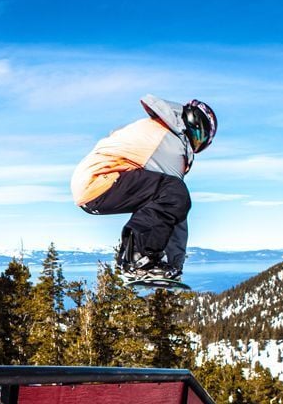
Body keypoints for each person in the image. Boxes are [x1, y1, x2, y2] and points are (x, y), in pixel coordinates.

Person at [70, 95, 217, 283]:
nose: (197, 143)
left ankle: (135, 258)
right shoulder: (169, 143)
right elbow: (177, 208)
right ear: (192, 123)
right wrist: (175, 265)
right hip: (100, 181)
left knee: (163, 197)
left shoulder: (156, 128)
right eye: (200, 136)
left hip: (93, 183)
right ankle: (139, 260)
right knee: (175, 194)